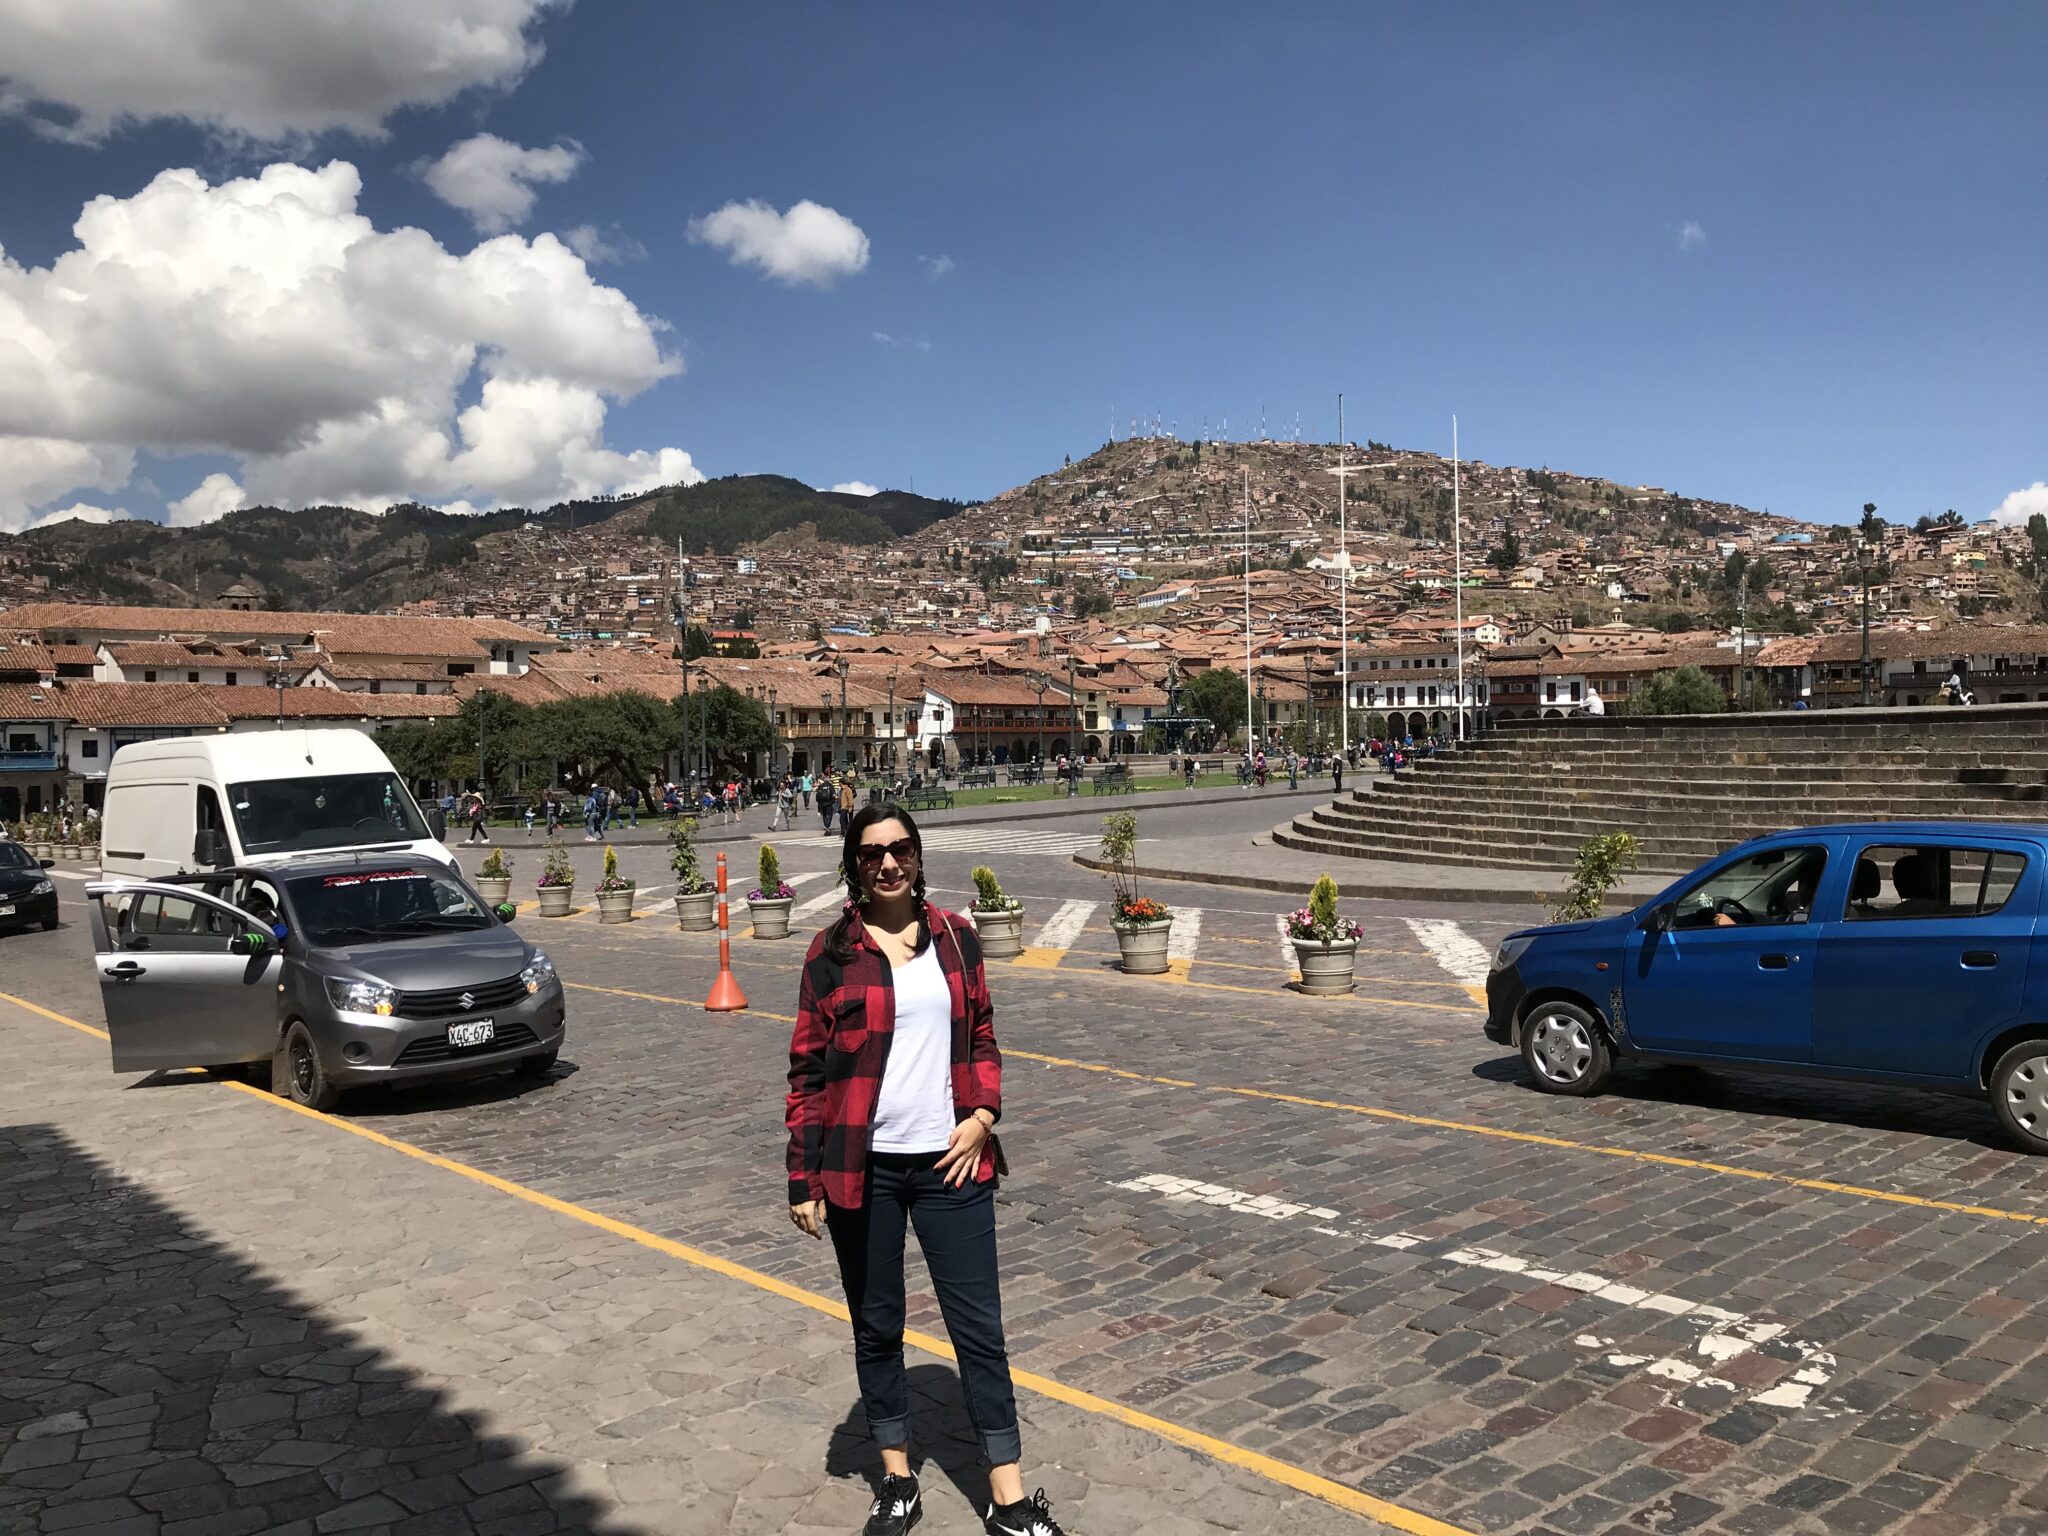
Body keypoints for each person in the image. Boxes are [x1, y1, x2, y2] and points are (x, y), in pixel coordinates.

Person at [786, 805, 1068, 1536]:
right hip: (865, 1169)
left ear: (917, 855)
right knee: (877, 1326)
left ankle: (1008, 1499)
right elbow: (807, 1076)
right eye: (871, 853)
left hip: (953, 1162)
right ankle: (898, 1479)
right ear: (853, 865)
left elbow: (982, 1034)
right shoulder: (829, 953)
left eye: (900, 849)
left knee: (980, 1331)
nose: (888, 863)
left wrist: (983, 1116)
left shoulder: (956, 937)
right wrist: (803, 1181)